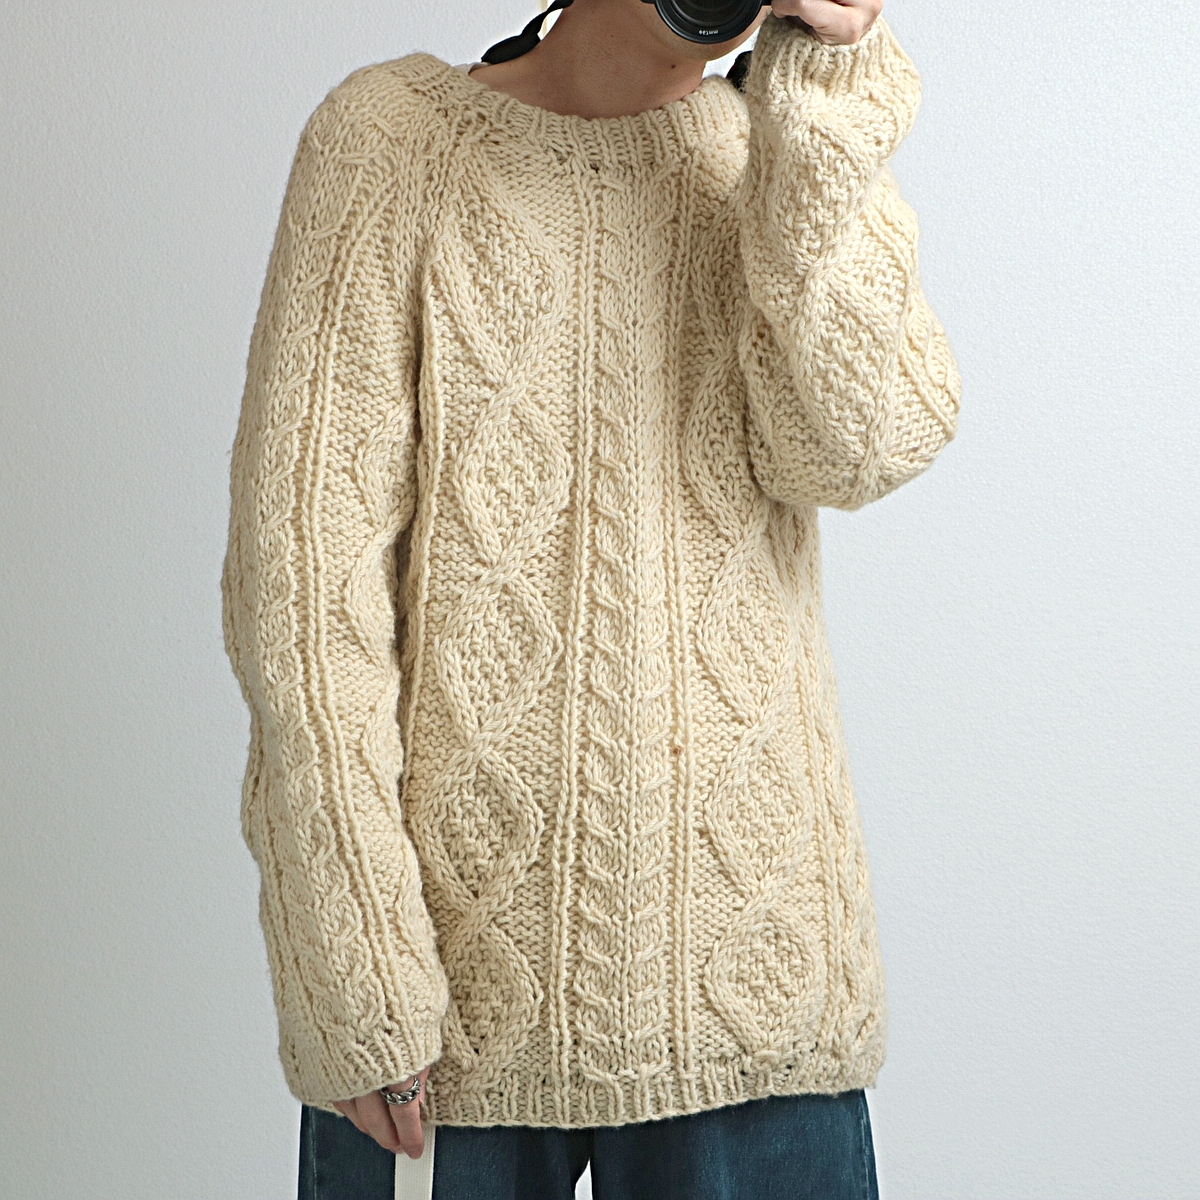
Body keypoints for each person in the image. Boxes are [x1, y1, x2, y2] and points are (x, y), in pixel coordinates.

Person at [220, 0, 960, 1194]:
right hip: (442, 1022)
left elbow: (864, 445)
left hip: (751, 995)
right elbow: (304, 601)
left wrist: (831, 85)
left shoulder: (772, 156)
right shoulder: (391, 140)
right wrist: (355, 966)